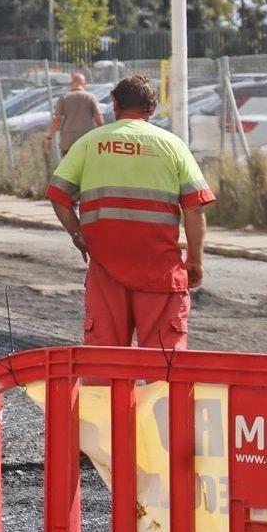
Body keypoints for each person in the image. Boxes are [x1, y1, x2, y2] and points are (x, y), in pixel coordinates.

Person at [46, 75, 215, 350]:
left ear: (114, 105)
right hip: (160, 273)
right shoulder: (172, 146)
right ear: (153, 108)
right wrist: (194, 260)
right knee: (165, 371)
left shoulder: (91, 143)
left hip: (105, 272)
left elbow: (58, 196)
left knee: (104, 366)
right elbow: (194, 209)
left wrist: (78, 234)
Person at [45, 74, 104, 155]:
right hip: (87, 139)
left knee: (69, 166)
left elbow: (57, 120)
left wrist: (49, 137)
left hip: (68, 141)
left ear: (71, 83)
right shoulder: (91, 97)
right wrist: (102, 136)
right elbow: (99, 119)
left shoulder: (64, 98)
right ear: (84, 84)